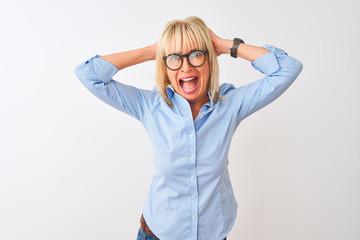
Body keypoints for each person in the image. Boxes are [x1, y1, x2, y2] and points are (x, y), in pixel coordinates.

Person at [74, 16, 303, 240]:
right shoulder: (150, 106)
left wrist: (224, 45)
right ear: (165, 64)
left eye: (196, 55)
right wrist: (152, 51)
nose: (185, 67)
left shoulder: (231, 104)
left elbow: (288, 68)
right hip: (158, 234)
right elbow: (89, 74)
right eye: (174, 58)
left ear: (209, 59)